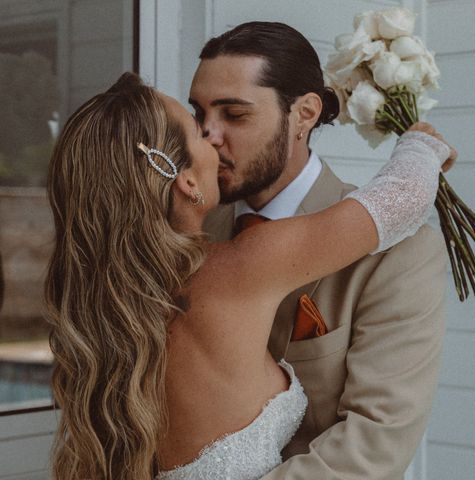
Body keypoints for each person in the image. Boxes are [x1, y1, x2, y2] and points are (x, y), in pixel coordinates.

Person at [45, 72, 452, 479]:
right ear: (186, 182)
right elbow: (404, 198)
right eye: (198, 131)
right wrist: (421, 143)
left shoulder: (102, 310)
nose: (214, 137)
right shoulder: (240, 267)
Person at [190, 22, 457, 479]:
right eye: (198, 116)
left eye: (234, 114)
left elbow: (371, 447)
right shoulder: (190, 229)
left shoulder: (399, 253)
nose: (207, 137)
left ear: (305, 114)